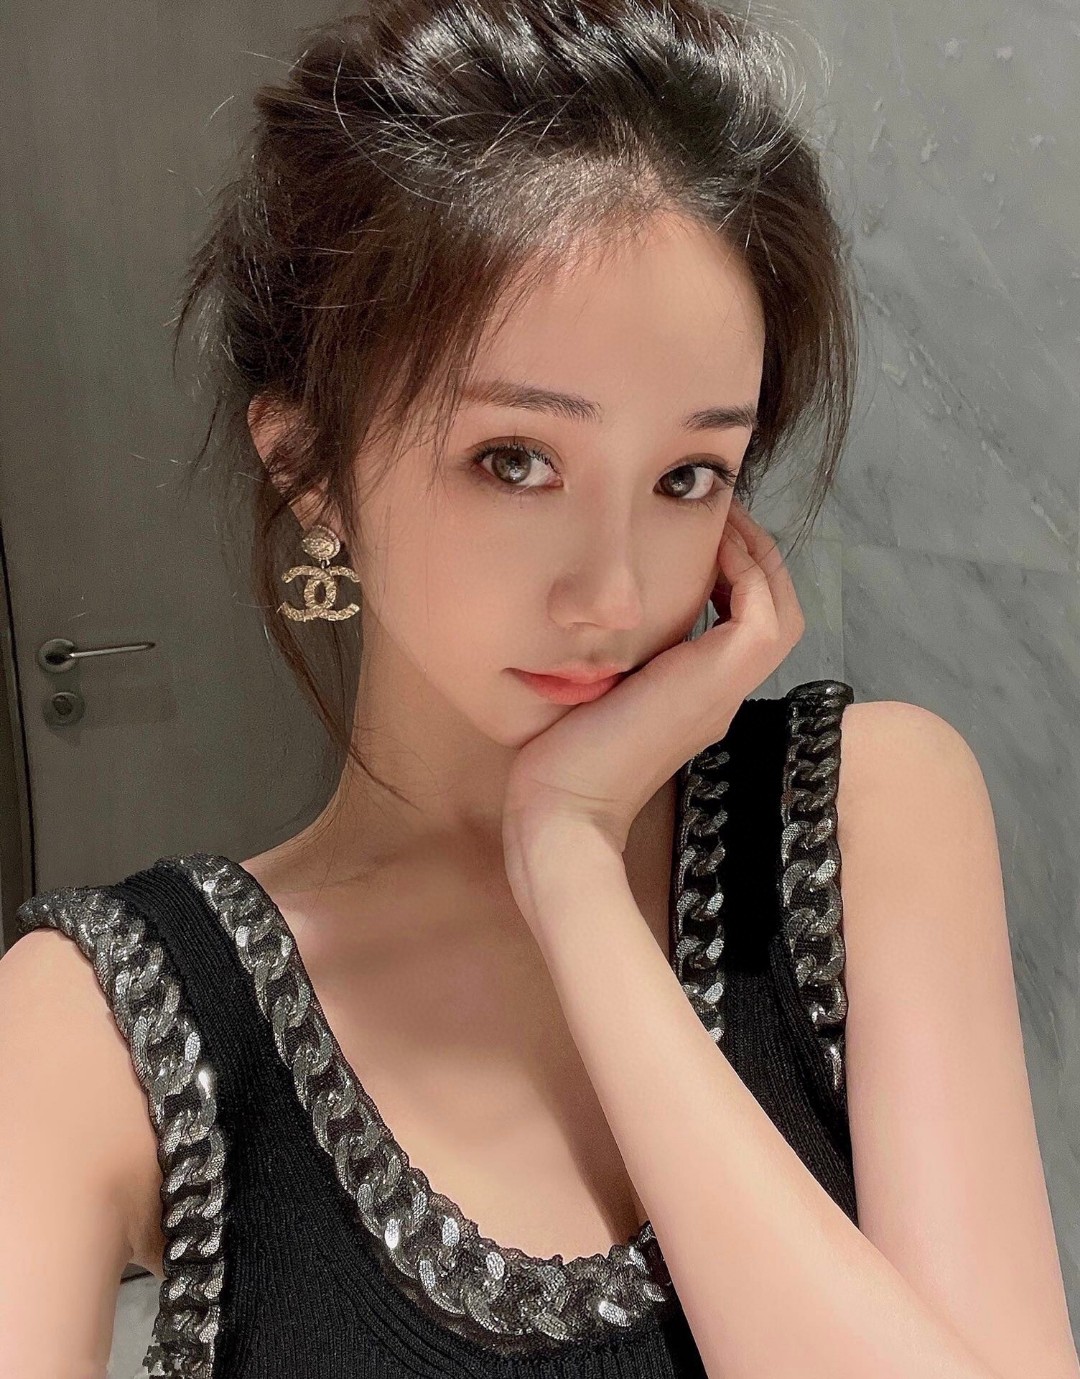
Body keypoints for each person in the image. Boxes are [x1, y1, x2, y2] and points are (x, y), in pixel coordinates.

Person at [1, 1, 1077, 1376]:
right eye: (515, 461)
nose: (614, 594)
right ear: (309, 465)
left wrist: (569, 857)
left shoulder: (869, 813)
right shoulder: (93, 1025)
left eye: (688, 475)